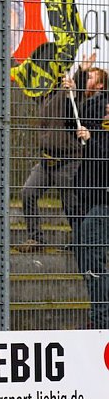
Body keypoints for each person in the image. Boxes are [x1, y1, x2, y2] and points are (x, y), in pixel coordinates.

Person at [17, 54, 106, 252]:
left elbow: (72, 105)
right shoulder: (52, 93)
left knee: (72, 203)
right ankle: (36, 238)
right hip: (47, 159)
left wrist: (79, 76)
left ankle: (83, 242)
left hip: (68, 160)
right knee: (28, 192)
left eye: (92, 77)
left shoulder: (89, 103)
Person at [72, 102, 109, 329]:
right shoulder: (101, 125)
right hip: (88, 200)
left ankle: (101, 318)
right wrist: (79, 79)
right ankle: (98, 313)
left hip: (104, 205)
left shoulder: (99, 136)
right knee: (83, 254)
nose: (106, 108)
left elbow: (105, 158)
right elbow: (77, 114)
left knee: (94, 261)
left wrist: (91, 139)